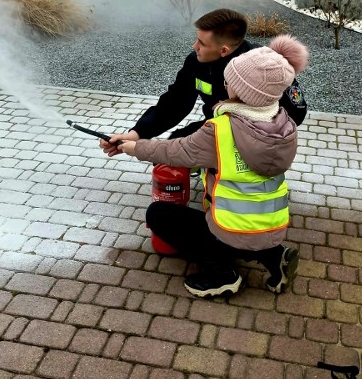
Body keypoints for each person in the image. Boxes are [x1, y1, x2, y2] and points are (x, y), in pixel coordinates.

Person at [115, 34, 310, 298]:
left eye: (230, 81)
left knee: (158, 215)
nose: (225, 83)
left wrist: (133, 147)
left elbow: (175, 151)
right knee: (241, 218)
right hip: (271, 227)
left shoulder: (221, 131)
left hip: (230, 229)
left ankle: (222, 276)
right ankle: (274, 256)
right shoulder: (284, 123)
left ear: (242, 91)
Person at [101, 8, 307, 156]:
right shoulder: (196, 62)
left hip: (259, 137)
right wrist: (137, 134)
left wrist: (249, 141)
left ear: (224, 50)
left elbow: (296, 112)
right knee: (175, 143)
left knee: (179, 152)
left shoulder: (266, 65)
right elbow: (175, 102)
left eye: (201, 43)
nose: (194, 46)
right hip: (215, 126)